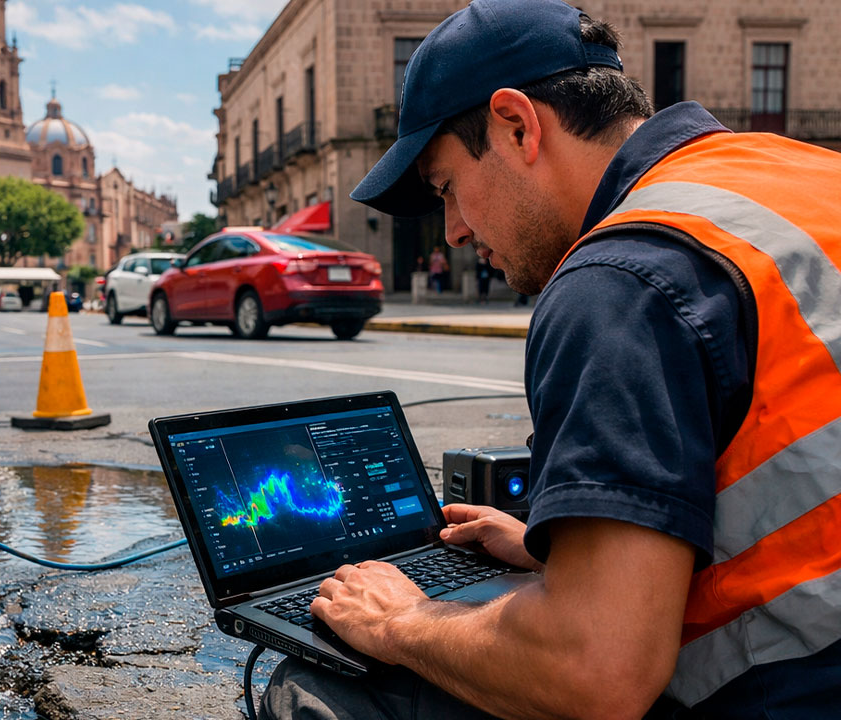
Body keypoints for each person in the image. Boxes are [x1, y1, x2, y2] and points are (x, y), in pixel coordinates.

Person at [260, 1, 841, 718]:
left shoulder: (622, 281)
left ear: (517, 125)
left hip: (796, 690)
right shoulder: (790, 173)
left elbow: (597, 673)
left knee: (318, 685)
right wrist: (562, 551)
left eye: (447, 189)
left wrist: (397, 623)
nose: (456, 231)